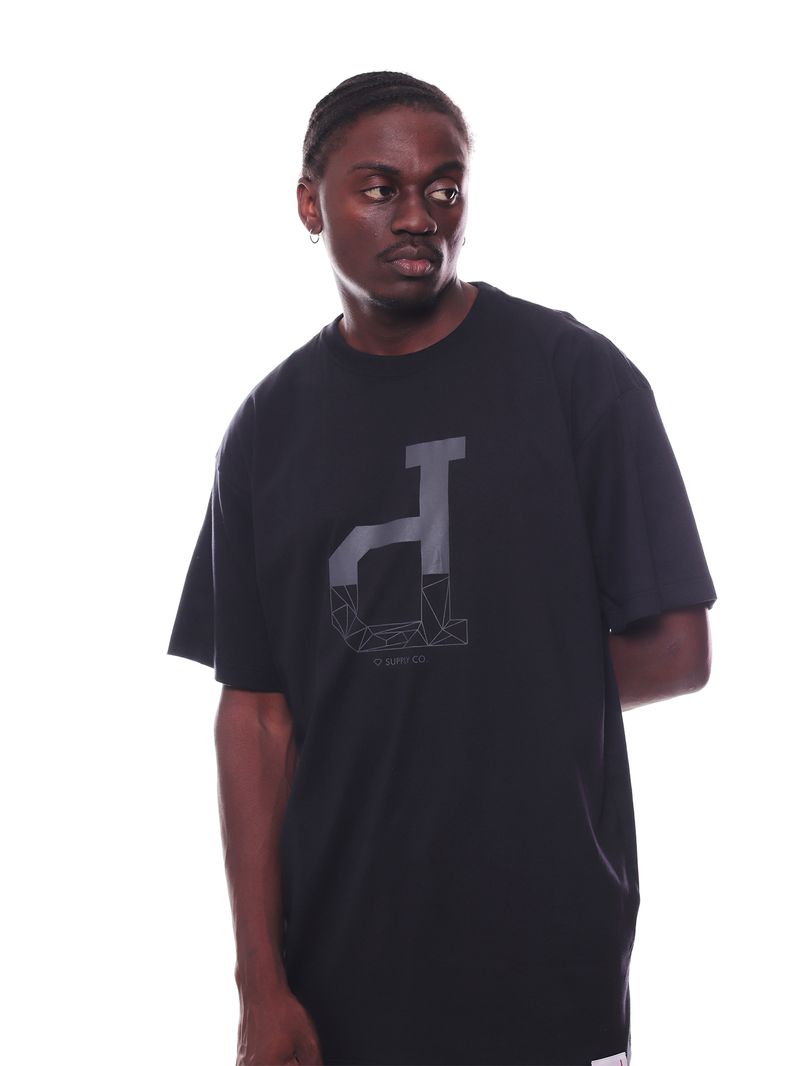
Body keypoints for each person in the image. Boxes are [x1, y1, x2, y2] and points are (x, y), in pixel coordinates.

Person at [167, 71, 717, 1066]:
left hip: (546, 959)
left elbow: (676, 649)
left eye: (443, 188)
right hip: (336, 974)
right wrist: (259, 984)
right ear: (310, 204)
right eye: (379, 189)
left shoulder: (574, 377)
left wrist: (483, 692)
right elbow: (254, 714)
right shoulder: (266, 430)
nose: (418, 216)